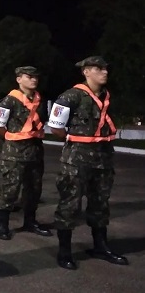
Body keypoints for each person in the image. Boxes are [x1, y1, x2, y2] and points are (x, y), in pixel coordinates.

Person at [48, 56, 128, 270]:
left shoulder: (106, 96)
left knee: (100, 203)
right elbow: (56, 127)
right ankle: (64, 252)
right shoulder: (71, 96)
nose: (104, 72)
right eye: (98, 69)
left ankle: (101, 247)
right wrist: (75, 140)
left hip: (103, 157)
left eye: (105, 68)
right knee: (70, 204)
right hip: (77, 159)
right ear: (86, 72)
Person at [0, 66, 52, 240]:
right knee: (10, 189)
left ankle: (30, 221)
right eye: (29, 76)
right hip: (14, 153)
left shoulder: (40, 100)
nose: (34, 79)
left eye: (35, 77)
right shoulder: (8, 101)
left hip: (35, 150)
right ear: (18, 79)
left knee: (34, 189)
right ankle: (2, 225)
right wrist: (12, 140)